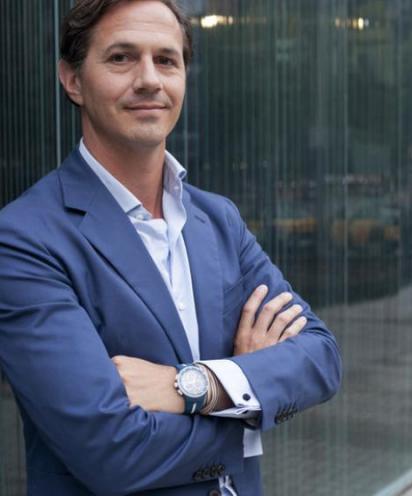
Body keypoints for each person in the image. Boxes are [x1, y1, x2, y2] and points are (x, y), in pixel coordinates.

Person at [0, 1, 341, 495]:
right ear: (73, 80)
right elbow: (113, 451)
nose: (149, 80)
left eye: (166, 60)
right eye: (121, 58)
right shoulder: (24, 239)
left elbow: (320, 357)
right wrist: (249, 397)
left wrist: (194, 386)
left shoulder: (217, 219)